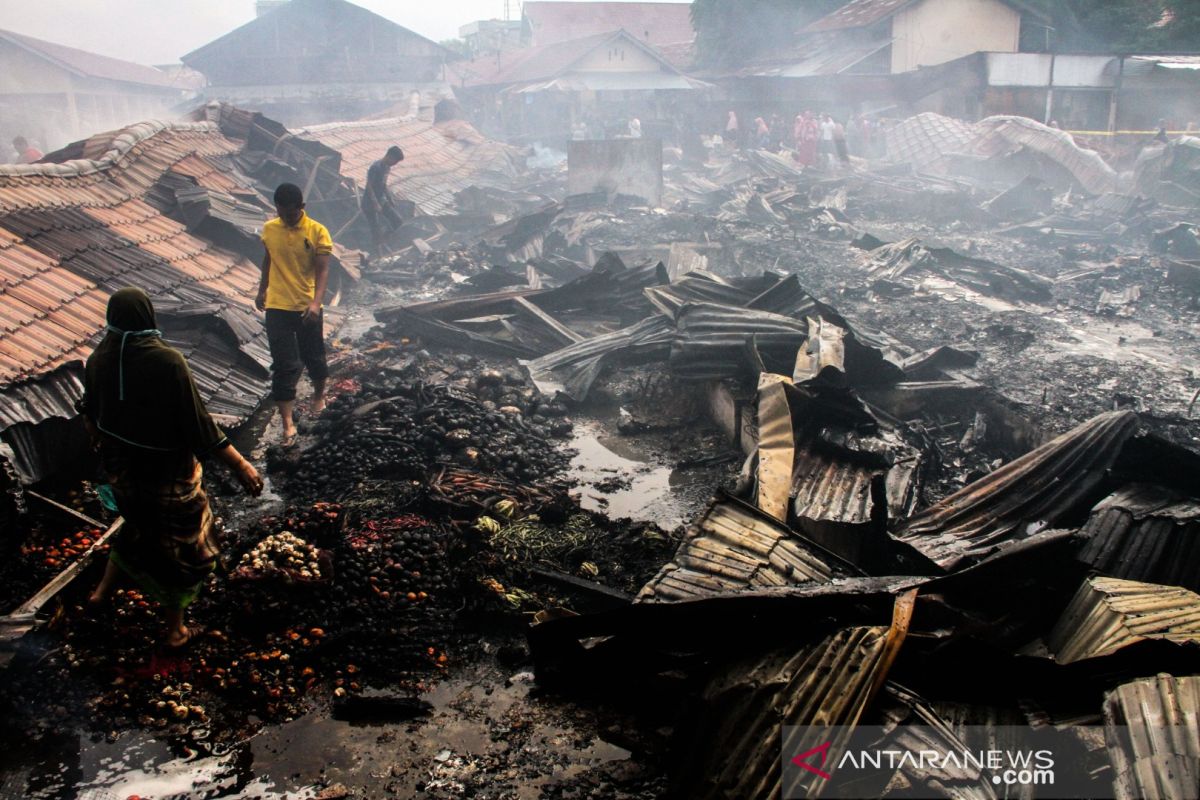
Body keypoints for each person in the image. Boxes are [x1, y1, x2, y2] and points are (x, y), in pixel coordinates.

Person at [83, 288, 263, 647]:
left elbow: (91, 417)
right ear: (147, 316)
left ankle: (101, 594)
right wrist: (241, 466)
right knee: (182, 544)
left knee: (137, 526)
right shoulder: (167, 361)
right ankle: (175, 630)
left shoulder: (97, 359)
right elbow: (199, 424)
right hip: (166, 471)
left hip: (122, 471)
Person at [256, 182, 333, 442]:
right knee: (284, 364)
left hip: (306, 305)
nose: (286, 219)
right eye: (281, 213)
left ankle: (319, 395)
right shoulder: (269, 229)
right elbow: (268, 259)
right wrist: (262, 289)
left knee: (314, 356)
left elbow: (322, 271)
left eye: (290, 214)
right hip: (278, 305)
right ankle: (287, 423)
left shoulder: (318, 232)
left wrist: (315, 303)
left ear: (302, 208)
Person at [361, 145, 405, 258]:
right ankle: (378, 255)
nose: (395, 164)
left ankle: (384, 241)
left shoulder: (386, 168)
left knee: (398, 221)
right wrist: (375, 204)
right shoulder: (375, 167)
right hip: (369, 203)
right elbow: (369, 186)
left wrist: (390, 198)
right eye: (395, 161)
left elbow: (384, 185)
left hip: (382, 200)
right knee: (375, 229)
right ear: (390, 156)